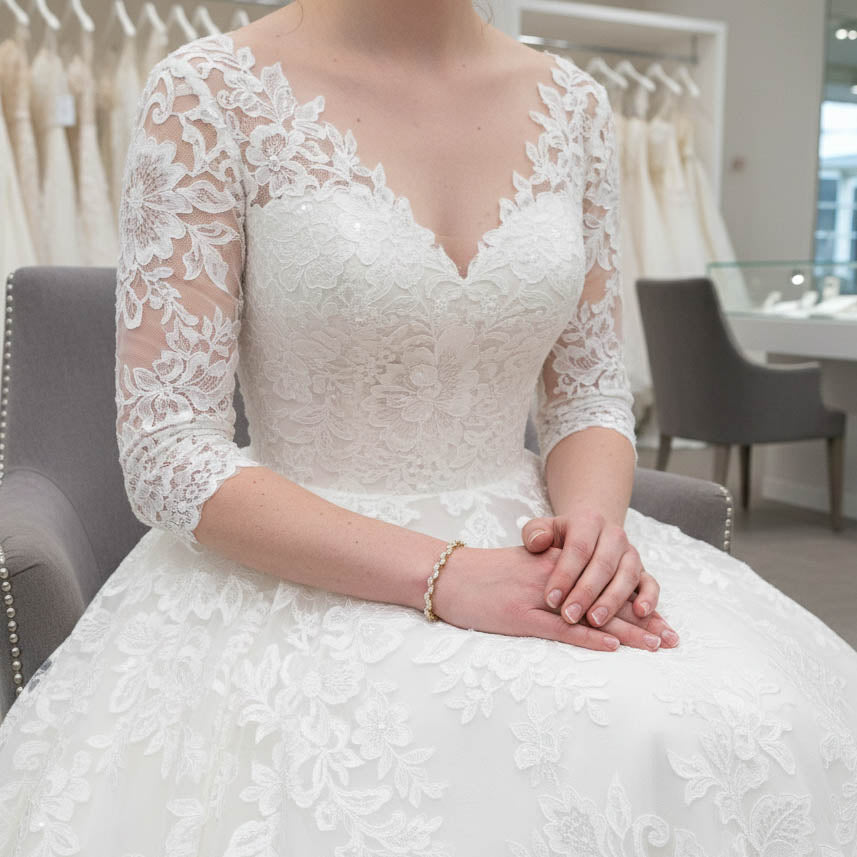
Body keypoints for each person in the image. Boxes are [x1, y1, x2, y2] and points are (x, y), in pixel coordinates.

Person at [2, 1, 856, 852]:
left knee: (749, 727)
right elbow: (166, 450)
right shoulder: (207, 92)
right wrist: (447, 576)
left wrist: (592, 531)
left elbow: (588, 395)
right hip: (305, 563)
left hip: (531, 544)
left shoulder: (576, 105)